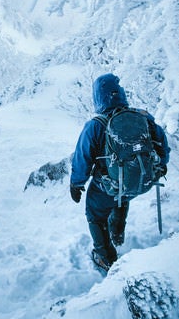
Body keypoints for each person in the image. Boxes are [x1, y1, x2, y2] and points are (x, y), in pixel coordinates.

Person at [69, 73, 169, 273]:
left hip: (109, 185)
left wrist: (76, 183)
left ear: (97, 96)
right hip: (142, 181)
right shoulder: (143, 117)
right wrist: (161, 166)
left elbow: (82, 158)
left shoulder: (95, 125)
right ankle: (117, 234)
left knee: (95, 213)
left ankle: (105, 257)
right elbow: (162, 145)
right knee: (123, 193)